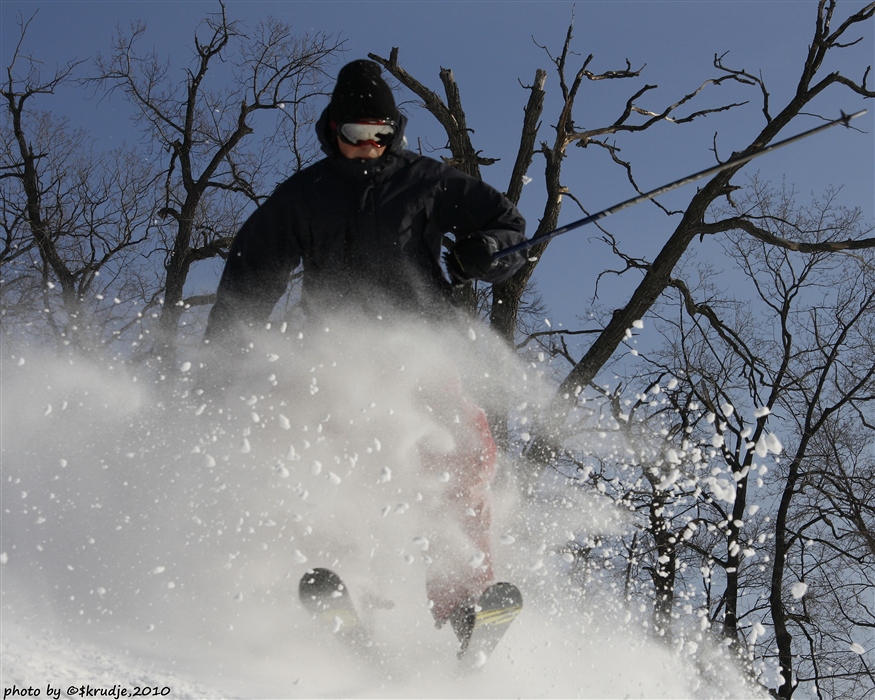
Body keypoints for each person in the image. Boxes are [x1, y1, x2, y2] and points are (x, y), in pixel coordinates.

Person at [202, 59, 526, 644]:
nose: (369, 147)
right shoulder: (305, 196)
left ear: (394, 130)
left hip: (423, 349)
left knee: (465, 457)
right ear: (333, 132)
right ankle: (342, 590)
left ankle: (465, 605)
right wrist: (221, 357)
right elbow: (250, 275)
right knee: (339, 463)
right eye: (355, 136)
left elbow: (509, 228)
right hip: (336, 357)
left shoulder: (427, 181)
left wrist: (486, 252)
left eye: (380, 134)